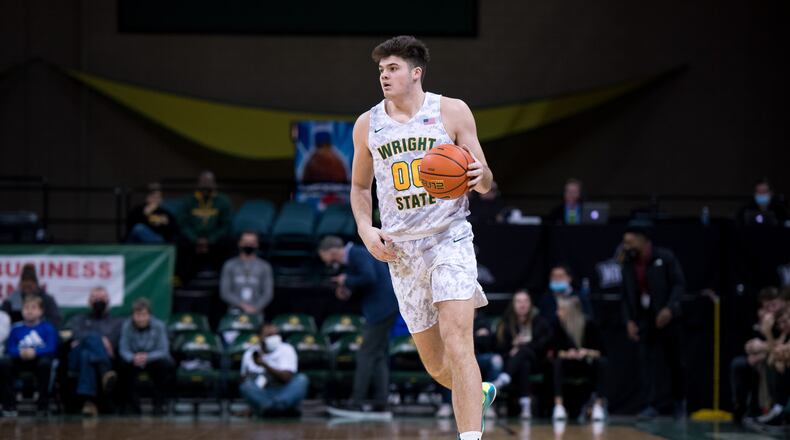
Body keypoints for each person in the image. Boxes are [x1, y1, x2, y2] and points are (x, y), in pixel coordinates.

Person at [350, 35, 495, 440]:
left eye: (392, 68)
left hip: (449, 237)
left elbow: (485, 180)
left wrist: (477, 175)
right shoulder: (368, 123)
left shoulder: (451, 111)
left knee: (458, 340)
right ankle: (478, 392)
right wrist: (365, 228)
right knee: (435, 365)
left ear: (416, 73)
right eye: (381, 70)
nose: (384, 76)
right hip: (401, 250)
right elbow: (360, 189)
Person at [318, 236, 399, 416]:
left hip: (381, 309)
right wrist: (348, 289)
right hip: (386, 307)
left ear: (332, 252)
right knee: (377, 355)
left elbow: (368, 277)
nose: (331, 263)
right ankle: (381, 402)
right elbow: (367, 282)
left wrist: (346, 280)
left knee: (365, 354)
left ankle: (356, 403)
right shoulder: (357, 255)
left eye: (329, 258)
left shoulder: (357, 253)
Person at [620, 222, 687, 419]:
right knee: (645, 361)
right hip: (644, 317)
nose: (626, 246)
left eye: (629, 242)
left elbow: (679, 285)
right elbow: (625, 295)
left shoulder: (664, 257)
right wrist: (628, 321)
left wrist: (669, 309)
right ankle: (650, 404)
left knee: (676, 361)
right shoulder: (628, 262)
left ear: (642, 240)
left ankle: (679, 402)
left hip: (667, 316)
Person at [490, 290, 552, 420]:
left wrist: (524, 346)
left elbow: (544, 345)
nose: (522, 305)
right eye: (518, 301)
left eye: (525, 301)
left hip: (536, 361)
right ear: (513, 304)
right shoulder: (505, 323)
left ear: (530, 304)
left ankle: (503, 379)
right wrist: (513, 345)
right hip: (512, 362)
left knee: (523, 352)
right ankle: (525, 406)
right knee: (524, 364)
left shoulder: (539, 321)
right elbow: (499, 347)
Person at [67, 286, 123, 417]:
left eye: (102, 298)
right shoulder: (78, 320)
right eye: (95, 298)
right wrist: (101, 340)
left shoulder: (117, 323)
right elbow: (73, 339)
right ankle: (105, 373)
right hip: (76, 360)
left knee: (86, 355)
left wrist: (87, 340)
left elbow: (114, 345)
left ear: (108, 300)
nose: (99, 301)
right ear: (88, 301)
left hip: (100, 358)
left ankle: (88, 403)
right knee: (91, 339)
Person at [436, 311, 503, 420]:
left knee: (495, 361)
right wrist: (476, 336)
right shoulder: (454, 318)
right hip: (457, 358)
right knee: (447, 363)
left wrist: (468, 339)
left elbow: (489, 342)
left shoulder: (483, 320)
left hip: (478, 357)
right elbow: (450, 342)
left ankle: (487, 403)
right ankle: (446, 403)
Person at [550, 296, 607, 422]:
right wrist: (567, 353)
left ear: (570, 311)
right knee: (557, 363)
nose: (557, 312)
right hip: (568, 365)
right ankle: (559, 405)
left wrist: (586, 352)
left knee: (602, 363)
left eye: (560, 309)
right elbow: (554, 351)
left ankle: (598, 405)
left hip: (586, 364)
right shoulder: (557, 325)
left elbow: (601, 351)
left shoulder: (589, 324)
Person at [730, 287, 781, 424]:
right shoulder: (762, 319)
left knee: (771, 363)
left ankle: (769, 409)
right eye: (766, 306)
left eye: (772, 305)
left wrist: (763, 345)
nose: (769, 309)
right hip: (763, 355)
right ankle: (741, 408)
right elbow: (749, 345)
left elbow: (779, 346)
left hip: (771, 357)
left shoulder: (782, 320)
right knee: (739, 364)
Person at [0, 295, 57, 416]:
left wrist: (34, 352)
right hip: (20, 360)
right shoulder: (16, 328)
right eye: (26, 308)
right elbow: (9, 348)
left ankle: (42, 406)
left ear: (41, 311)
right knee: (4, 362)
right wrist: (20, 352)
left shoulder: (47, 327)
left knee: (46, 364)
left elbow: (51, 347)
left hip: (39, 360)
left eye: (33, 308)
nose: (29, 311)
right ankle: (9, 405)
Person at [239, 323, 309, 416]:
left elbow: (286, 378)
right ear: (260, 337)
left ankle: (271, 409)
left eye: (276, 334)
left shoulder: (287, 349)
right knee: (246, 385)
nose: (274, 337)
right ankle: (282, 410)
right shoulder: (250, 354)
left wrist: (264, 365)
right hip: (263, 394)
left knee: (301, 379)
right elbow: (244, 380)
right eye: (269, 335)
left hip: (284, 392)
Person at [118, 298, 173, 415]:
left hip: (153, 360)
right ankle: (133, 407)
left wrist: (147, 357)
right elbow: (123, 349)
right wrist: (133, 358)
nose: (141, 318)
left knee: (164, 365)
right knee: (123, 365)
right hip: (134, 360)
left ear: (149, 315)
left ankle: (159, 405)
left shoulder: (159, 326)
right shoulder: (127, 326)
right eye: (137, 315)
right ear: (133, 315)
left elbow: (163, 350)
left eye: (144, 315)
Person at [176, 170, 233, 281]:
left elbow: (226, 225)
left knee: (228, 242)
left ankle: (222, 282)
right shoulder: (188, 200)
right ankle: (182, 282)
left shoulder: (223, 200)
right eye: (203, 183)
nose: (206, 186)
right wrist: (195, 239)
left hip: (214, 243)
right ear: (198, 184)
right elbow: (182, 223)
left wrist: (210, 240)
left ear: (214, 184)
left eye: (209, 183)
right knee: (179, 242)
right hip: (192, 242)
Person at [220, 231, 274, 317]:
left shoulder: (265, 266)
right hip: (234, 313)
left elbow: (268, 294)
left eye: (252, 242)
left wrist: (255, 308)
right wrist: (243, 306)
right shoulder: (229, 265)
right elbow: (225, 292)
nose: (248, 245)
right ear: (240, 243)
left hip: (257, 313)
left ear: (257, 244)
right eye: (246, 242)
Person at [2, 263, 61, 328]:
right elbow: (3, 320)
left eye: (31, 282)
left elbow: (55, 319)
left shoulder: (47, 299)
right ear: (21, 283)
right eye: (25, 281)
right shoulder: (12, 299)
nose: (28, 283)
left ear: (36, 283)